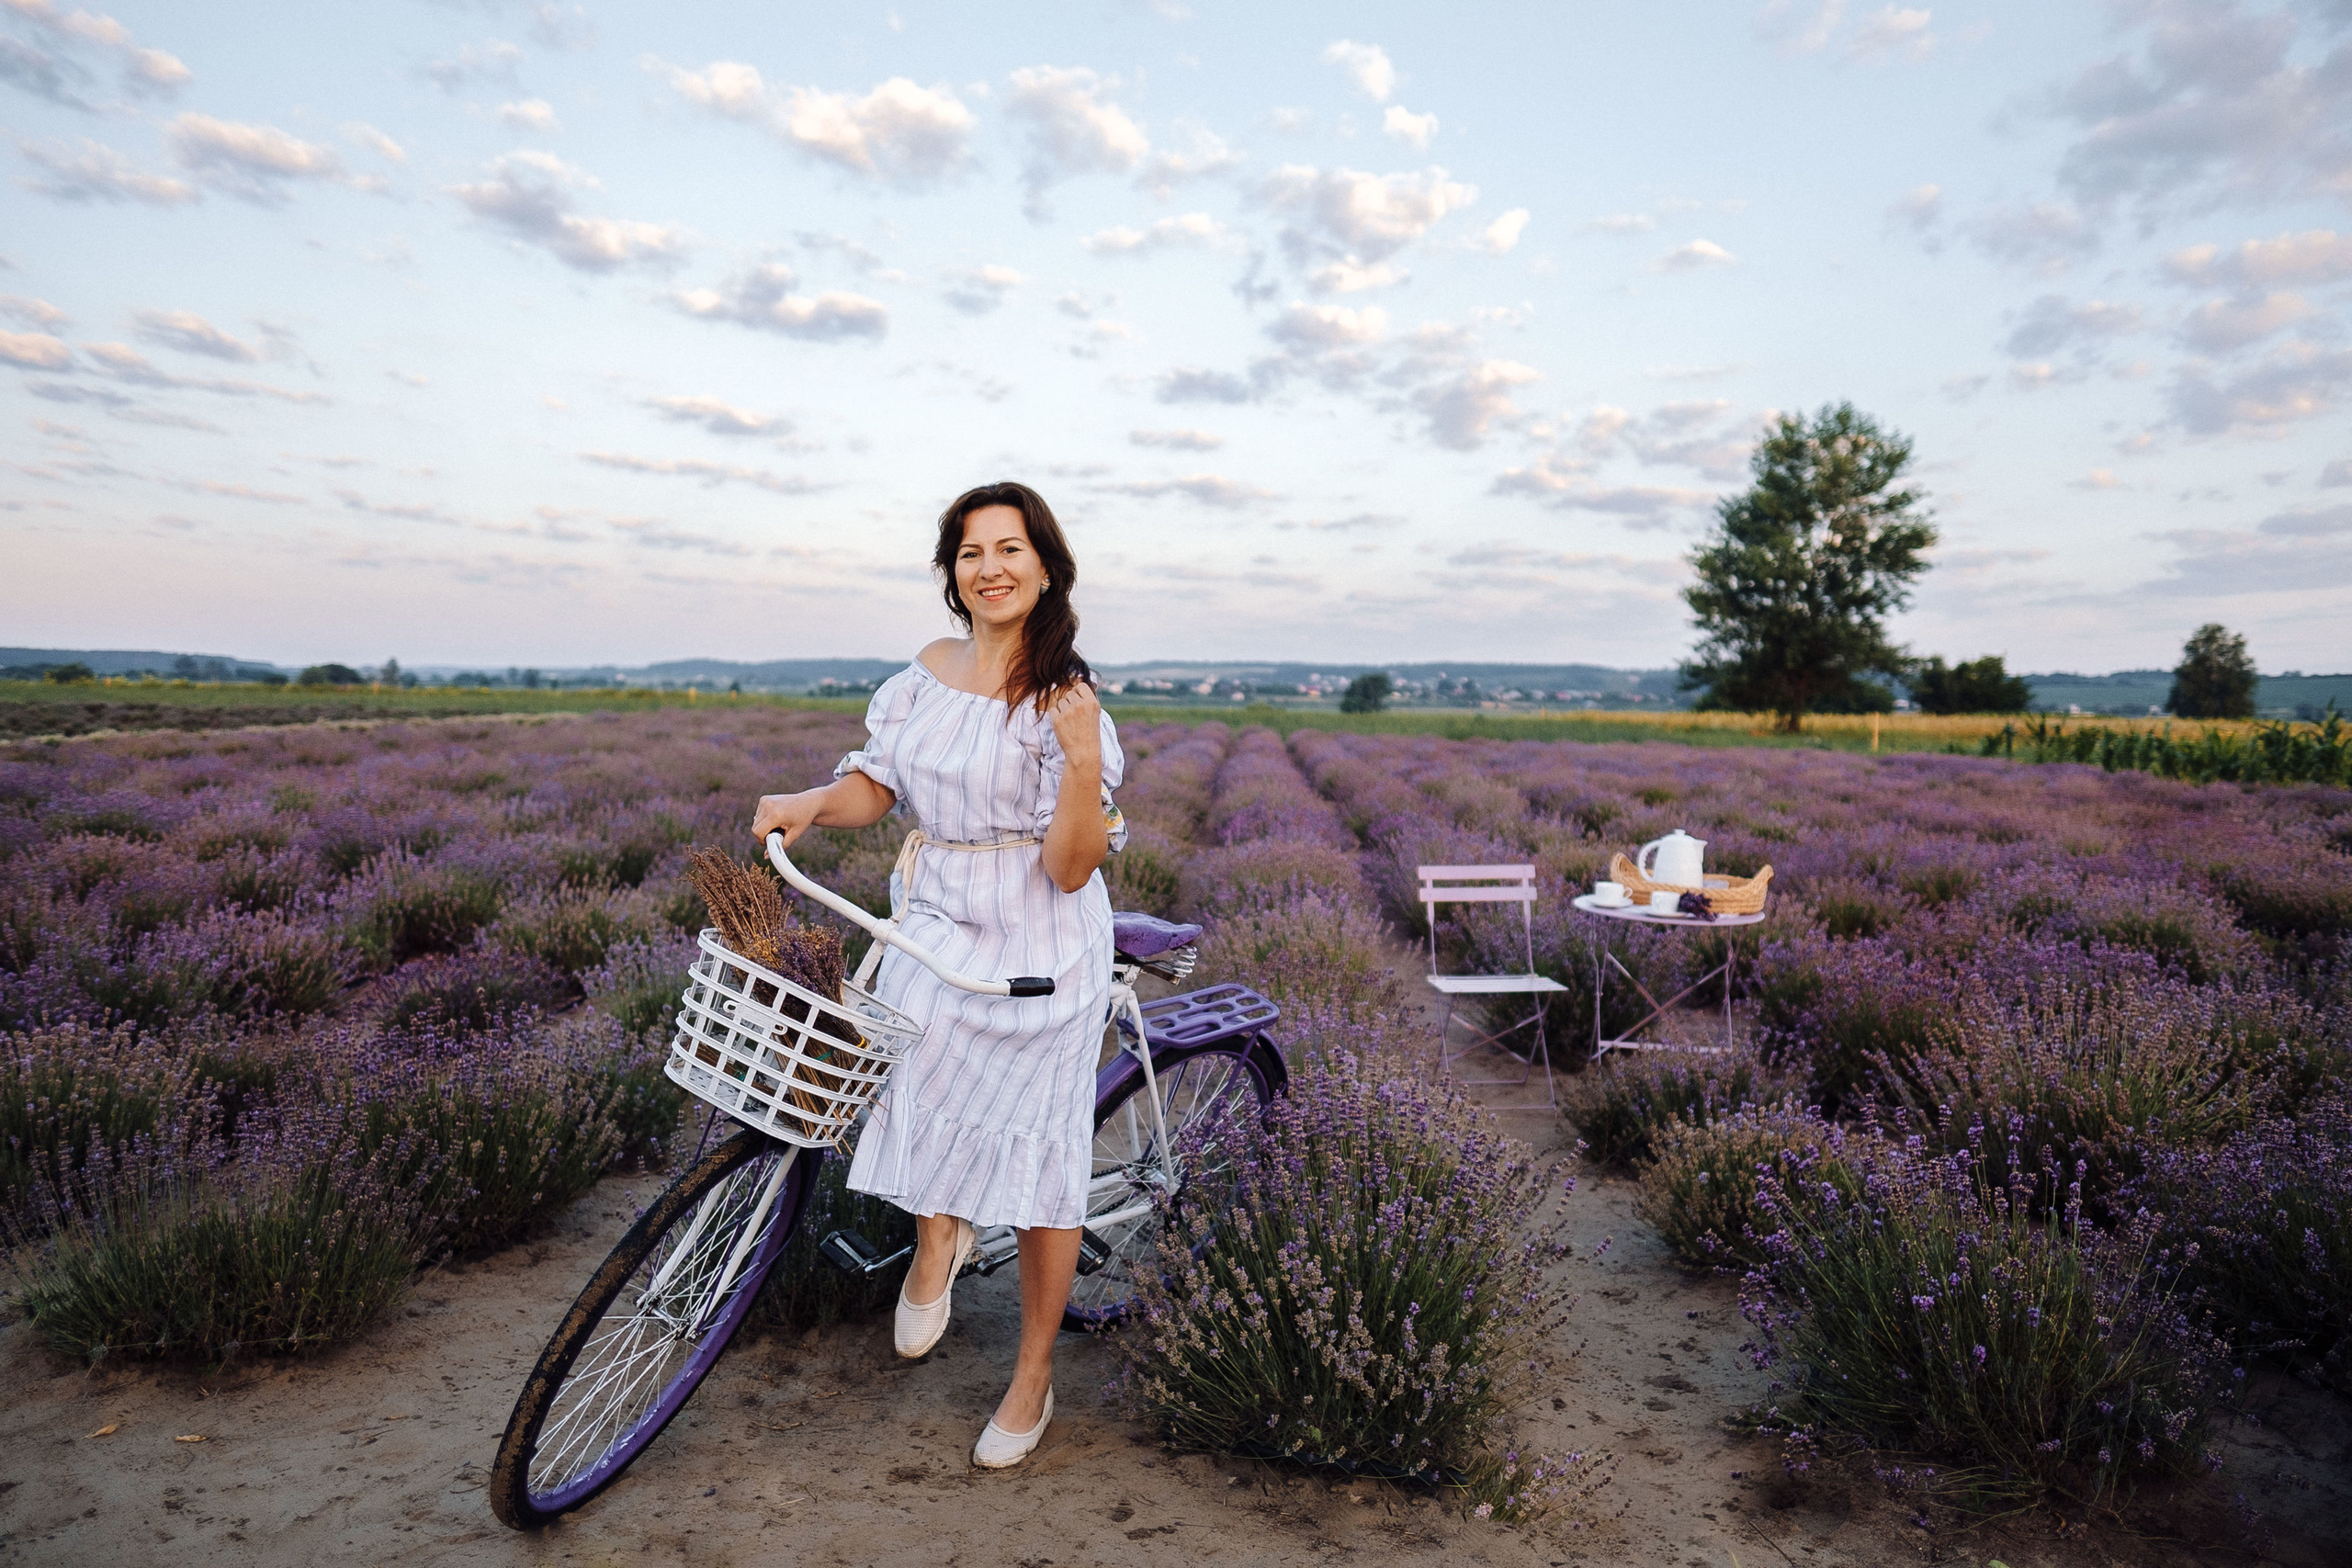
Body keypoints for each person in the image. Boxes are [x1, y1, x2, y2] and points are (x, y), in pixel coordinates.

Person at [750, 480, 1123, 1471]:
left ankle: (1033, 1376)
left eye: (1009, 549)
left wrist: (1081, 760)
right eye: (970, 552)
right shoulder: (923, 674)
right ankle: (939, 1236)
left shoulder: (1067, 700)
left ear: (1046, 567)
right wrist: (811, 801)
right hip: (940, 905)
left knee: (1044, 1158)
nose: (989, 568)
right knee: (899, 1056)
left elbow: (1070, 866)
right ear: (950, 571)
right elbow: (880, 785)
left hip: (1040, 927)